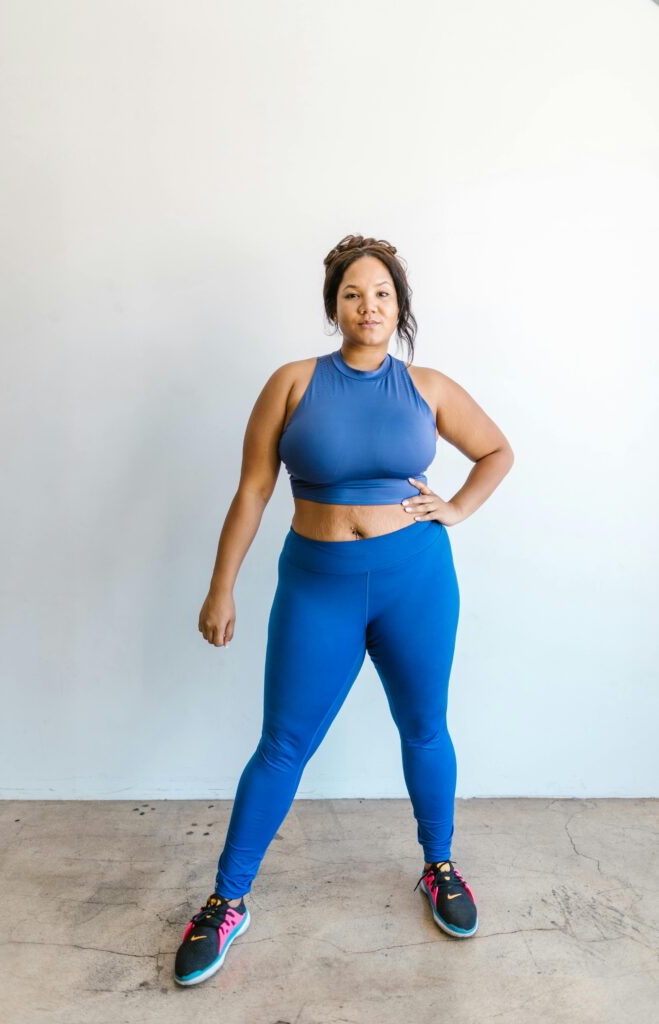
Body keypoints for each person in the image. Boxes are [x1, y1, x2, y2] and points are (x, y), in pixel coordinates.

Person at [174, 233, 515, 986]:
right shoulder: (293, 382)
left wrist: (454, 507)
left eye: (383, 294)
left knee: (424, 728)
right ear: (334, 305)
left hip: (415, 580)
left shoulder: (428, 389)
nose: (370, 306)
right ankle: (227, 900)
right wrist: (221, 585)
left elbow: (496, 451)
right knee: (280, 746)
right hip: (316, 585)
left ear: (400, 306)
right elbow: (254, 491)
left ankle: (439, 865)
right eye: (354, 294)